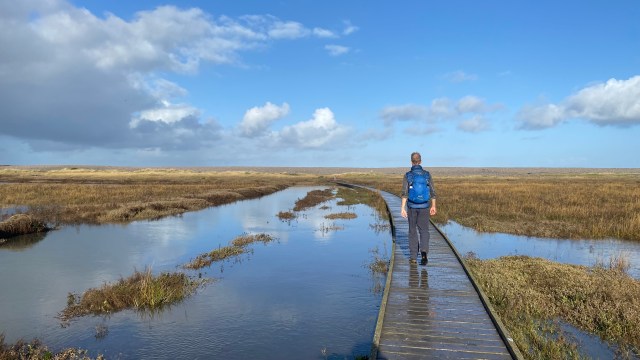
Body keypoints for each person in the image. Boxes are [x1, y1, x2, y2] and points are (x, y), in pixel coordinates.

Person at [401, 152, 437, 265]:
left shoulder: (408, 175)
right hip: (425, 206)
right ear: (420, 161)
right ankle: (424, 253)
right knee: (424, 230)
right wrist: (434, 206)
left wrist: (402, 208)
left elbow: (404, 193)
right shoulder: (427, 175)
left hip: (412, 207)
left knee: (412, 231)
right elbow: (433, 192)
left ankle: (413, 257)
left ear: (411, 162)